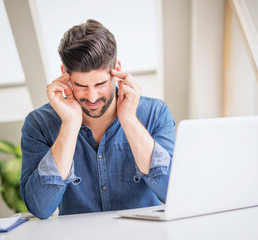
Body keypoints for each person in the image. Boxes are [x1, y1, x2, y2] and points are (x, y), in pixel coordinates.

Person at [20, 19, 175, 219]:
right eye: (81, 85)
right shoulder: (39, 124)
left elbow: (171, 192)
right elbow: (40, 207)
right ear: (65, 75)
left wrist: (128, 119)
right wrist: (69, 124)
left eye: (100, 84)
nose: (92, 97)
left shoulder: (155, 113)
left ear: (117, 70)